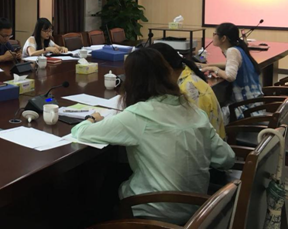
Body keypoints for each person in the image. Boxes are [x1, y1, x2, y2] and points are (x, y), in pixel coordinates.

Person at [71, 47, 235, 225]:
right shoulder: (193, 111)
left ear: (131, 81)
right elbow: (227, 159)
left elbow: (81, 132)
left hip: (154, 210)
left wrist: (91, 119)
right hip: (198, 208)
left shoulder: (138, 115)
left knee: (105, 179)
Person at [151, 43, 225, 139]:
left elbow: (192, 136)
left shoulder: (188, 90)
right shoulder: (188, 77)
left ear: (167, 69)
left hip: (204, 145)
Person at [200, 22, 264, 122]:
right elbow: (230, 64)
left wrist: (213, 68)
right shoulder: (238, 49)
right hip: (254, 103)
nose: (213, 36)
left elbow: (230, 76)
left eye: (214, 34)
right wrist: (207, 66)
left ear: (223, 38)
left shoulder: (232, 51)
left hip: (246, 108)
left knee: (208, 115)